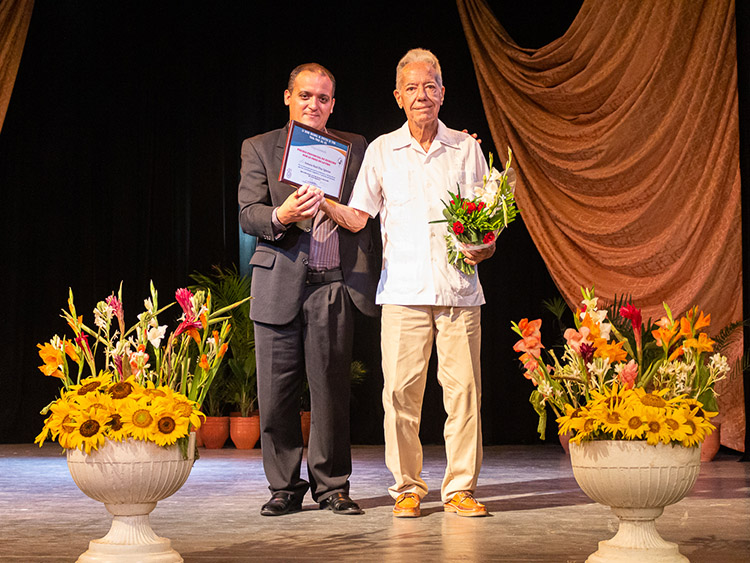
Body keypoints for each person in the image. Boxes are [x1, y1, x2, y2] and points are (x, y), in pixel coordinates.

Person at [321, 48, 495, 518]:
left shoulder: (467, 148)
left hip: (460, 293)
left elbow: (488, 222)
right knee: (399, 396)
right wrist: (321, 200)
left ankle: (460, 489)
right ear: (398, 97)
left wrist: (487, 246)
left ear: (443, 93)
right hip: (401, 294)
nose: (422, 95)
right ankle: (408, 489)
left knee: (464, 396)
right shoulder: (382, 150)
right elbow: (358, 216)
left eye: (430, 86)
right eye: (412, 88)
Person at [238, 63, 380, 516]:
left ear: (332, 104)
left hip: (333, 286)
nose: (313, 105)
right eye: (305, 96)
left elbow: (373, 201)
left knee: (331, 393)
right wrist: (281, 215)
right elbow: (247, 212)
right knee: (277, 395)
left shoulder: (355, 147)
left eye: (322, 98)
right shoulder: (260, 147)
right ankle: (284, 487)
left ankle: (332, 486)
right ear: (287, 97)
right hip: (279, 282)